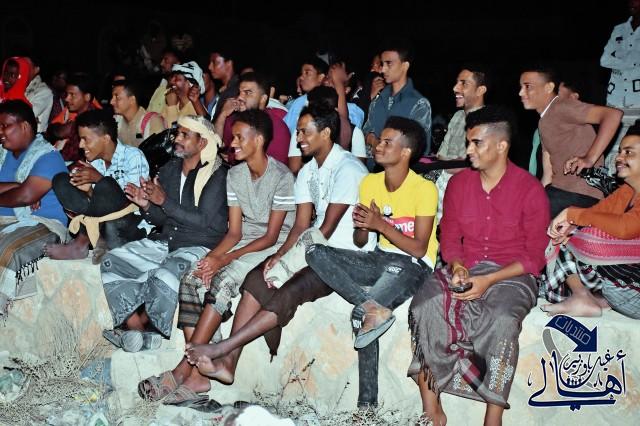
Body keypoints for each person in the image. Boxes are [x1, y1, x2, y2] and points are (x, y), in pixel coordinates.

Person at [180, 105, 374, 397]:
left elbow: (325, 230)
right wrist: (279, 256)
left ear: (326, 133)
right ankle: (228, 363)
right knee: (256, 278)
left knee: (278, 285)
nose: (298, 138)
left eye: (305, 131)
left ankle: (218, 352)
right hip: (316, 248)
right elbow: (300, 226)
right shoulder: (308, 171)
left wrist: (286, 261)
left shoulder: (348, 169)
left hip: (343, 253)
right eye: (298, 131)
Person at [138, 110, 296, 405]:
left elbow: (271, 236)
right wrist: (211, 258)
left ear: (258, 140)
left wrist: (223, 261)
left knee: (222, 281)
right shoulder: (235, 175)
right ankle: (199, 376)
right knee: (193, 277)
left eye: (239, 137)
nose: (232, 143)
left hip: (273, 244)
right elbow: (234, 232)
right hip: (245, 239)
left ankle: (182, 370)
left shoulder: (282, 177)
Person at [408, 106, 550, 426]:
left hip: (512, 274)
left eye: (476, 143)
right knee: (425, 304)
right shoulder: (459, 185)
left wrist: (490, 280)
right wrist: (458, 265)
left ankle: (492, 416)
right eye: (468, 142)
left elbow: (535, 256)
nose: (469, 150)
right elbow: (449, 237)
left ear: (501, 145)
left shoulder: (529, 190)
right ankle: (432, 410)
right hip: (467, 266)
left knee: (502, 319)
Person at [305, 116, 437, 408]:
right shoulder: (370, 182)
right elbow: (360, 241)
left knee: (362, 320)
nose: (378, 146)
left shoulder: (423, 189)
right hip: (380, 256)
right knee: (314, 251)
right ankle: (371, 306)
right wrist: (363, 226)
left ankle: (367, 407)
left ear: (406, 152)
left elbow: (419, 248)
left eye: (388, 142)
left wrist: (380, 224)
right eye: (380, 140)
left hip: (412, 265)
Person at [100, 115, 228, 352]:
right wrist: (146, 205)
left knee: (166, 274)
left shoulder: (217, 175)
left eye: (185, 135)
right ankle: (136, 328)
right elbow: (162, 219)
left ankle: (150, 332)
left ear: (202, 143)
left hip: (200, 245)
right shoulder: (169, 170)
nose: (177, 139)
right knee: (112, 260)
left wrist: (163, 201)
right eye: (177, 133)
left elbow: (202, 222)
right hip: (168, 241)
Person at [542, 123, 640, 319]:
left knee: (586, 238)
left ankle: (589, 297)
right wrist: (571, 223)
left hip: (635, 295)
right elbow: (595, 214)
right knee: (566, 235)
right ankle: (583, 297)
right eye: (620, 151)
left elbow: (625, 227)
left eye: (628, 152)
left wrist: (572, 215)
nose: (619, 158)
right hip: (620, 289)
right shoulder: (627, 191)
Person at [44, 109, 149, 262]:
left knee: (106, 184)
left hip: (129, 224)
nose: (81, 145)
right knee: (60, 180)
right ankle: (96, 239)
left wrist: (98, 178)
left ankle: (81, 242)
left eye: (85, 139)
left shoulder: (133, 156)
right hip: (100, 220)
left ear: (105, 139)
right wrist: (88, 191)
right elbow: (97, 203)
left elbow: (131, 201)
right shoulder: (94, 161)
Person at [519, 67, 623, 217]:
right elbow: (548, 174)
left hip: (581, 194)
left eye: (528, 86)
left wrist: (590, 158)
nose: (521, 93)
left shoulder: (561, 106)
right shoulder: (543, 123)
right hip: (558, 192)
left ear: (548, 87)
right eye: (521, 87)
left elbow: (613, 115)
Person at [0, 100, 68, 317]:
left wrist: (21, 190)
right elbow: (22, 192)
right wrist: (18, 185)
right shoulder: (2, 153)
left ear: (25, 126)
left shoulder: (48, 156)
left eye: (5, 126)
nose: (0, 132)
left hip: (43, 224)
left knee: (7, 250)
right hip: (7, 222)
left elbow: (25, 196)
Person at [363, 40, 432, 160]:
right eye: (382, 64)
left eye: (389, 63)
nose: (383, 70)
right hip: (371, 169)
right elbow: (364, 133)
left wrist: (376, 143)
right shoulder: (377, 100)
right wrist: (373, 141)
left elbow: (419, 148)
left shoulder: (418, 104)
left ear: (405, 66)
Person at [434, 67, 488, 220]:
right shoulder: (458, 116)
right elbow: (441, 155)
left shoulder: (488, 122)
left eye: (464, 84)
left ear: (480, 90)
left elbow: (473, 166)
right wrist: (456, 163)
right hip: (444, 182)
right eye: (457, 83)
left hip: (467, 193)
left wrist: (456, 164)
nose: (455, 88)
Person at [215, 72, 290, 166]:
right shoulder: (234, 119)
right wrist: (222, 115)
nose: (239, 97)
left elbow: (277, 170)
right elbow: (215, 145)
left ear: (262, 99)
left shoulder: (276, 128)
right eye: (239, 93)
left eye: (247, 93)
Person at [600, 0, 640, 173]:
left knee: (633, 148)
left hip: (637, 100)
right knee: (612, 147)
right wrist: (631, 62)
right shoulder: (619, 29)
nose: (633, 3)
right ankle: (609, 181)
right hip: (615, 99)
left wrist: (619, 58)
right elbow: (604, 60)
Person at [48, 72, 102, 162]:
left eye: (72, 95)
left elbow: (73, 155)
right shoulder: (81, 116)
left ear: (87, 97)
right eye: (67, 94)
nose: (67, 99)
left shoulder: (90, 121)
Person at [111, 79, 166, 147]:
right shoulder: (116, 121)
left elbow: (156, 151)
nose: (111, 102)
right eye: (112, 97)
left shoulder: (152, 122)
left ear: (132, 100)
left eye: (117, 97)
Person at [162, 62, 206, 127]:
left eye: (177, 79)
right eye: (172, 77)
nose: (171, 81)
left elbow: (174, 132)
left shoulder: (195, 110)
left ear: (189, 84)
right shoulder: (173, 102)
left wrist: (172, 107)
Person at [147, 48, 182, 114]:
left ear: (177, 63)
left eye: (166, 60)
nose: (161, 63)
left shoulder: (179, 91)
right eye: (162, 60)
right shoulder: (162, 85)